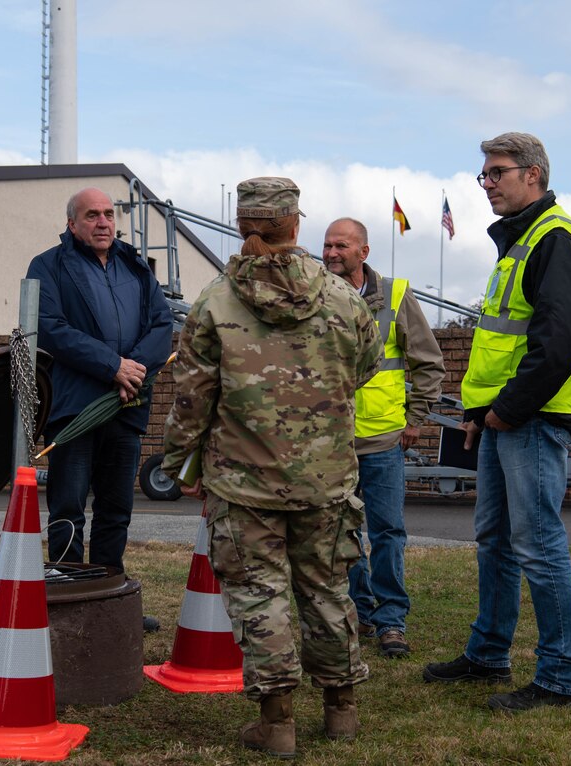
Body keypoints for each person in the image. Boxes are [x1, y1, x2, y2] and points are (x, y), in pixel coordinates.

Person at [161, 177, 382, 757]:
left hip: (242, 481)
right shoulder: (343, 298)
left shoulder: (215, 301)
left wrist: (179, 464)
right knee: (327, 589)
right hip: (326, 479)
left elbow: (191, 397)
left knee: (262, 597)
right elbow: (363, 366)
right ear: (297, 225)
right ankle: (341, 711)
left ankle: (277, 722)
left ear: (242, 226)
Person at [422, 132, 571, 711]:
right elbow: (502, 344)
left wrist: (506, 411)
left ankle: (560, 679)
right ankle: (490, 652)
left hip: (532, 420)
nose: (488, 183)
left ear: (534, 175)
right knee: (494, 540)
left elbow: (561, 341)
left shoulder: (555, 239)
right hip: (503, 421)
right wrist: (480, 415)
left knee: (538, 545)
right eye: (485, 174)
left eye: (497, 172)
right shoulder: (518, 242)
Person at [26, 186, 173, 632]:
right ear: (72, 223)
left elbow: (162, 324)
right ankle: (69, 600)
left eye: (109, 214)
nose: (103, 222)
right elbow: (48, 327)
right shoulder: (48, 266)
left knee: (115, 507)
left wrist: (134, 371)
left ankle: (109, 598)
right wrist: (112, 365)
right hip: (75, 410)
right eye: (92, 215)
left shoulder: (135, 265)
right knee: (68, 506)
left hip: (126, 406)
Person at [322, 218, 445, 659]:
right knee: (342, 534)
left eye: (342, 245)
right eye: (327, 245)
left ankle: (392, 619)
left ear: (364, 252)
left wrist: (416, 418)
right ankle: (359, 613)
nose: (332, 253)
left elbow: (427, 362)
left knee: (388, 532)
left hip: (382, 443)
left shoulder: (394, 295)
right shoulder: (315, 295)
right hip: (330, 445)